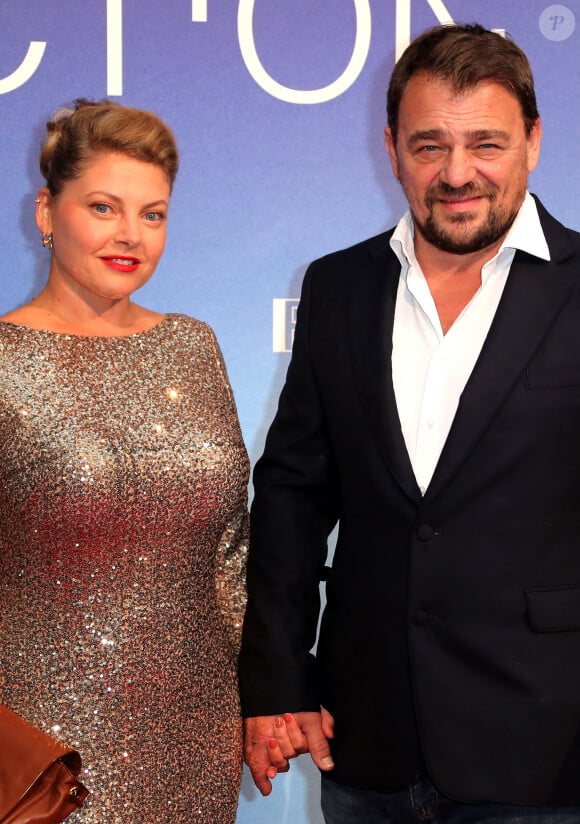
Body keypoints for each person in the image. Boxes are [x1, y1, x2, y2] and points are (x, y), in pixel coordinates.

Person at [238, 23, 580, 823]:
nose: (457, 174)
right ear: (390, 147)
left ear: (533, 140)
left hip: (550, 748)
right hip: (367, 741)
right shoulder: (338, 287)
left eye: (485, 144)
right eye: (429, 146)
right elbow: (291, 495)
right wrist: (280, 677)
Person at [0, 99, 249, 823]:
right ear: (48, 210)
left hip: (199, 734)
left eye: (153, 214)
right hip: (49, 751)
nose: (130, 236)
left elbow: (231, 551)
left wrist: (263, 698)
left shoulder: (193, 347)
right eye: (104, 207)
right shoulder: (5, 362)